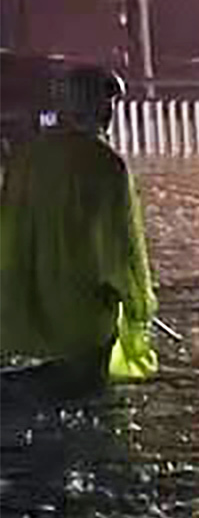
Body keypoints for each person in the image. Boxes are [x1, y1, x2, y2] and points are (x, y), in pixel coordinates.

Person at [0, 65, 158, 384]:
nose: (110, 112)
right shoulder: (106, 165)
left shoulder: (25, 158)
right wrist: (139, 306)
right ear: (94, 105)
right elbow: (121, 251)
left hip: (18, 326)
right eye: (107, 103)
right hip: (81, 327)